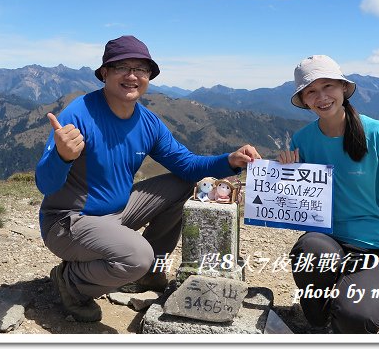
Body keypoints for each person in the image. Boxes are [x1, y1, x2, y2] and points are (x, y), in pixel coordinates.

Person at [34, 35, 261, 323]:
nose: (132, 76)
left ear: (149, 76)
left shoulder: (147, 122)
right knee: (137, 257)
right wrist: (62, 157)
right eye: (122, 68)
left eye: (141, 69)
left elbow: (188, 166)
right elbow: (46, 185)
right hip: (69, 221)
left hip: (116, 213)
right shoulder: (78, 114)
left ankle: (151, 273)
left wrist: (230, 161)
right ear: (105, 73)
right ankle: (71, 281)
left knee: (185, 185)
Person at [279, 55, 379, 334]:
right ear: (304, 99)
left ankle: (345, 310)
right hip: (327, 239)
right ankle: (320, 319)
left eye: (328, 86)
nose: (321, 97)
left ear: (343, 89)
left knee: (356, 318)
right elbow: (303, 210)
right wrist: (288, 178)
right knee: (309, 249)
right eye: (311, 90)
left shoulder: (378, 133)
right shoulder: (302, 140)